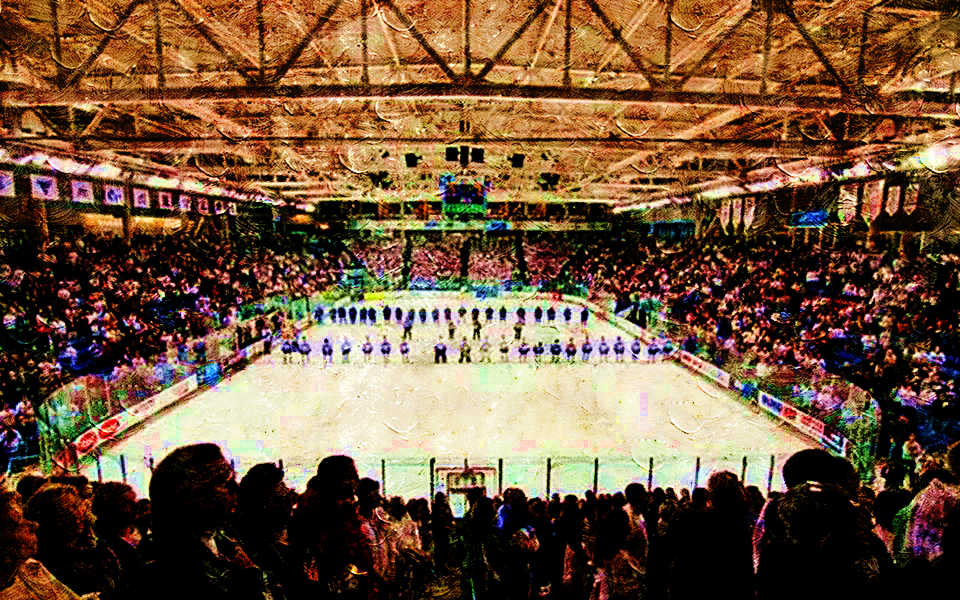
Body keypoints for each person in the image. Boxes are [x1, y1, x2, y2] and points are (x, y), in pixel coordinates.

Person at [132, 443, 276, 600]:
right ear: (192, 494)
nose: (236, 488)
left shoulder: (225, 540)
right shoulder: (167, 567)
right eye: (226, 482)